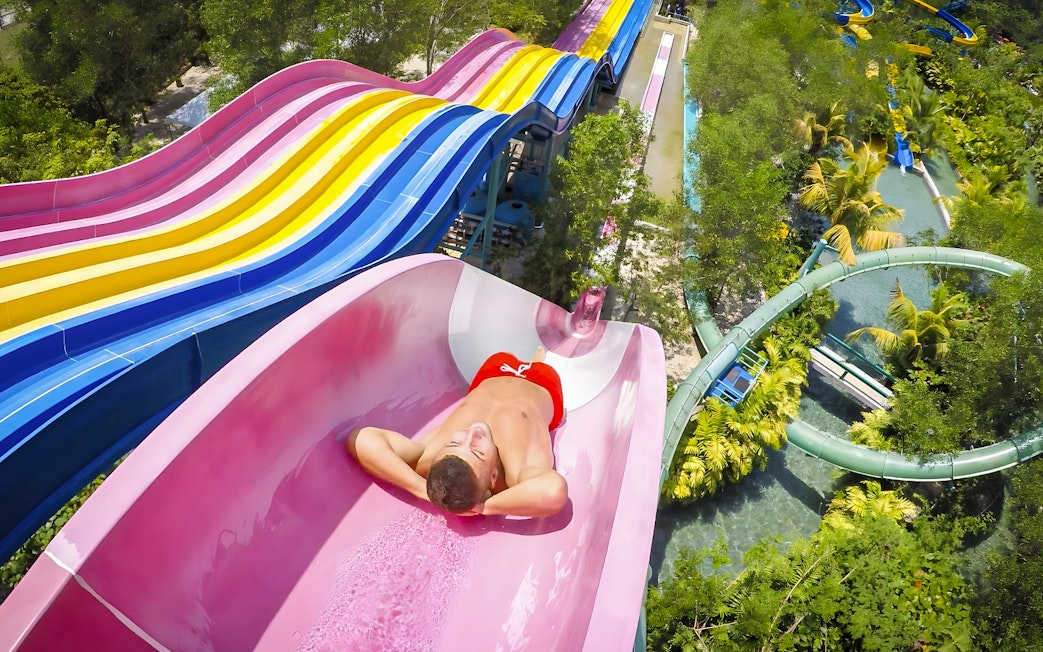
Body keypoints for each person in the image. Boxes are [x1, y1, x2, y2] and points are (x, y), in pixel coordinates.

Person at [347, 347, 568, 518]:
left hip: (492, 371)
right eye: (478, 452)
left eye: (454, 444)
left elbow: (361, 439)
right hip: (543, 381)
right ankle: (538, 357)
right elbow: (553, 492)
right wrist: (483, 508)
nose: (472, 432)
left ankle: (534, 353)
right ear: (493, 476)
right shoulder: (518, 471)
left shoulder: (431, 456)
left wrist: (422, 490)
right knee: (541, 357)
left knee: (505, 351)